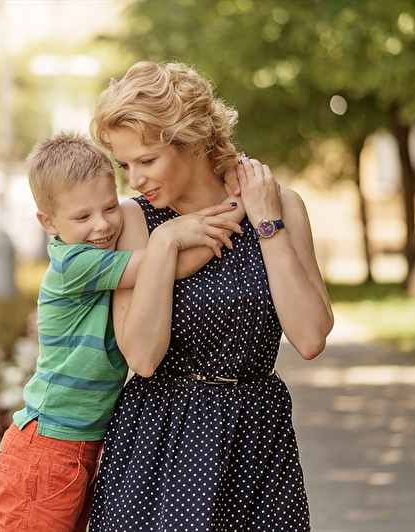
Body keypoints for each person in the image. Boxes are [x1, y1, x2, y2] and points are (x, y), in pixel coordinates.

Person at [87, 61, 334, 531]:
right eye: (125, 165)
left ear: (194, 141)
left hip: (258, 438)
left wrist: (266, 223)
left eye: (147, 160)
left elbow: (309, 337)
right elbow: (142, 358)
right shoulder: (134, 221)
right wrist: (165, 243)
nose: (134, 180)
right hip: (162, 443)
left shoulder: (281, 205)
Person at [0, 131, 243, 532]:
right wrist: (237, 205)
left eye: (110, 207)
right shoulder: (75, 264)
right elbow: (169, 266)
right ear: (48, 222)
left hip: (80, 448)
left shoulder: (101, 255)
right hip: (47, 450)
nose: (103, 225)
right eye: (82, 217)